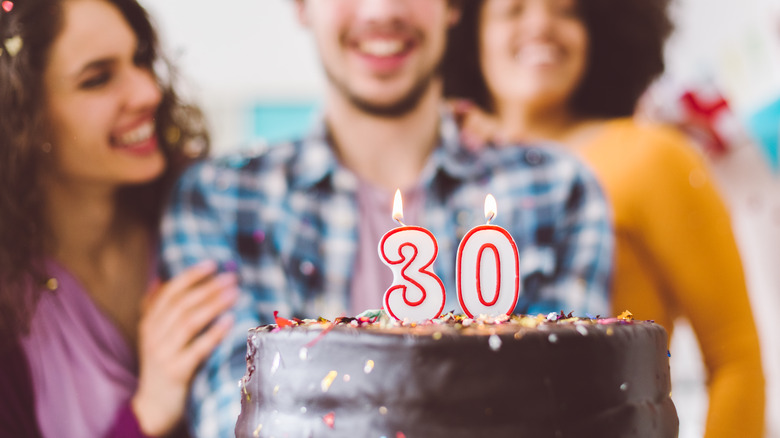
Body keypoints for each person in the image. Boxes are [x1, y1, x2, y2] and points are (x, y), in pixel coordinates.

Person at [158, 0, 615, 436]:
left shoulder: (557, 190)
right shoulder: (221, 201)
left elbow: (562, 409)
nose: (381, 11)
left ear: (453, 6)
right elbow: (240, 415)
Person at [441, 0, 766, 436]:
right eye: (512, 10)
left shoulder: (651, 158)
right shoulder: (447, 166)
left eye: (568, 11)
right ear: (468, 32)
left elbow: (735, 357)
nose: (540, 25)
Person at [0, 0, 238, 436]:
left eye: (140, 60)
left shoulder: (203, 213)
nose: (148, 91)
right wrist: (149, 410)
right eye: (97, 79)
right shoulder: (10, 315)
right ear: (19, 116)